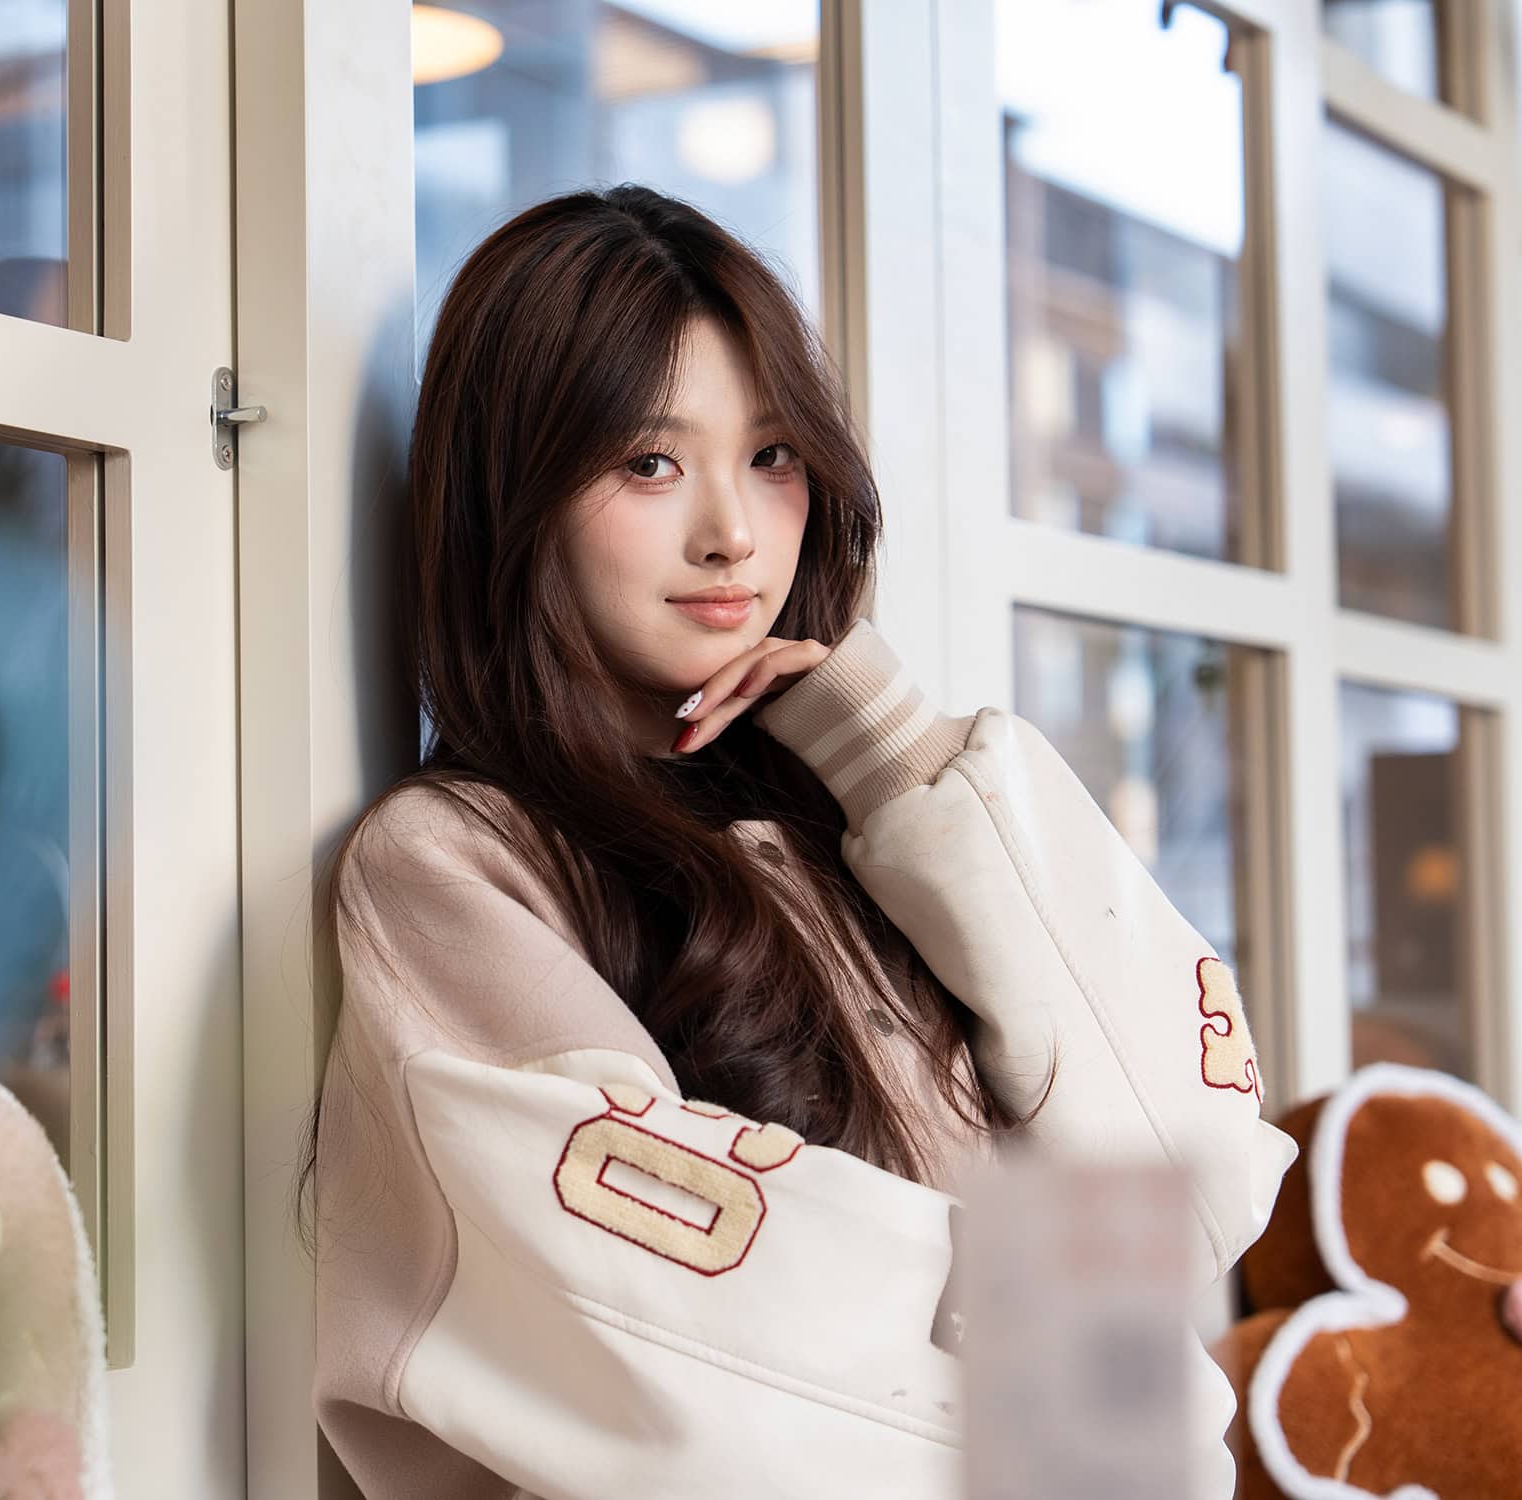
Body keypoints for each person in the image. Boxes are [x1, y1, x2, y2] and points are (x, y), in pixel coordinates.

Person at [298, 183, 1298, 1499]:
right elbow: (707, 1359)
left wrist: (882, 744)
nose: (733, 532)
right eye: (649, 462)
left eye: (772, 455)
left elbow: (1194, 1168)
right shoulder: (457, 864)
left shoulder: (867, 823)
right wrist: (1127, 1404)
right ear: (515, 495)